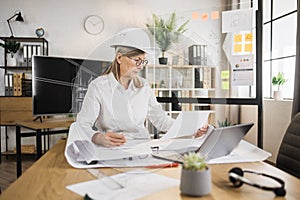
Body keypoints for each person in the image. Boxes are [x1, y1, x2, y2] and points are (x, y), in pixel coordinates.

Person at [75, 28, 208, 147]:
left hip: (142, 147)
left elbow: (161, 121)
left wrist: (191, 130)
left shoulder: (143, 86)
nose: (141, 65)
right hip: (112, 149)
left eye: (143, 61)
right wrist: (97, 137)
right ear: (119, 58)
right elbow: (82, 125)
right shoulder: (98, 87)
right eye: (137, 60)